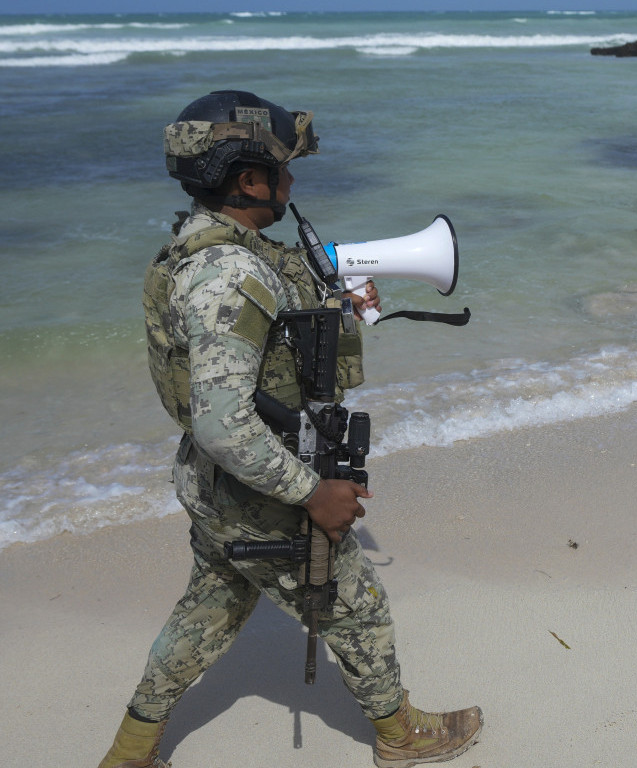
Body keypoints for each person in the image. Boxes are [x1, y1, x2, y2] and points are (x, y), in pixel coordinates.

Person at [97, 90, 483, 768]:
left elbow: (256, 365)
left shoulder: (206, 247)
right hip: (257, 490)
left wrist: (339, 314)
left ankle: (130, 750)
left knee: (209, 610)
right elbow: (223, 422)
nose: (291, 182)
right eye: (282, 169)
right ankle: (398, 736)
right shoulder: (229, 273)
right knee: (356, 606)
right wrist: (313, 494)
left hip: (217, 486)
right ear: (250, 180)